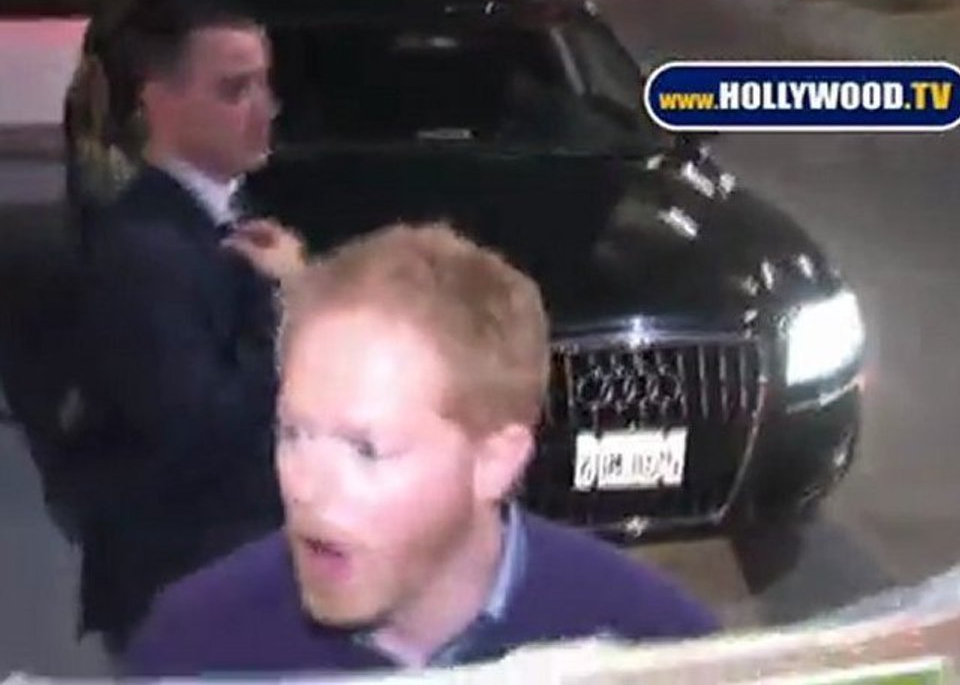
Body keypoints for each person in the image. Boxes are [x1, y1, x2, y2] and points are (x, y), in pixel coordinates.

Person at [122, 223, 719, 677]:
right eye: (294, 434)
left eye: (365, 449)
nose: (306, 486)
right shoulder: (191, 649)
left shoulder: (653, 651)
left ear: (495, 461)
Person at [68, 0, 306, 653]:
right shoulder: (143, 252)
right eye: (234, 90)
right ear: (159, 100)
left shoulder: (225, 221)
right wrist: (289, 313)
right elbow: (201, 432)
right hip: (189, 590)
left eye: (265, 85)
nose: (263, 109)